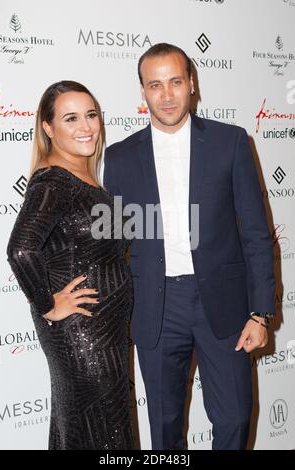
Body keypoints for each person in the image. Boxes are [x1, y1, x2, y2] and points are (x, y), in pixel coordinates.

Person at [104, 43, 275, 450]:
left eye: (175, 82)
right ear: (143, 92)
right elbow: (113, 243)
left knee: (234, 418)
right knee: (164, 429)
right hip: (157, 306)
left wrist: (261, 312)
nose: (166, 95)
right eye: (155, 85)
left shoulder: (230, 142)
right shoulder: (120, 156)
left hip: (225, 302)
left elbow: (255, 232)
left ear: (192, 84)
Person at [7, 81, 133, 450]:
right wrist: (48, 305)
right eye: (71, 118)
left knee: (89, 428)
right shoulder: (53, 181)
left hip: (103, 333)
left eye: (91, 115)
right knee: (102, 432)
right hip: (83, 336)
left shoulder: (85, 176)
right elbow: (20, 250)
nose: (86, 127)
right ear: (48, 128)